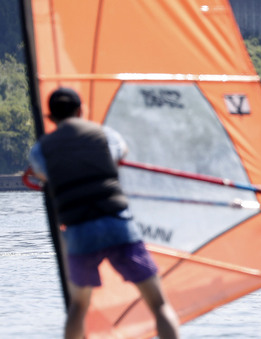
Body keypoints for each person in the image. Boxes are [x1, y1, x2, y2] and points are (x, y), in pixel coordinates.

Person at [28, 88, 180, 339]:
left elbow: (43, 174)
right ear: (81, 110)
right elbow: (121, 153)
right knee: (159, 304)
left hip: (79, 230)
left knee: (78, 307)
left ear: (51, 117)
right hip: (117, 224)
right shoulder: (105, 134)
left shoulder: (40, 149)